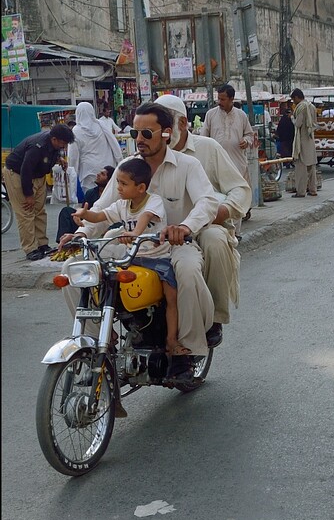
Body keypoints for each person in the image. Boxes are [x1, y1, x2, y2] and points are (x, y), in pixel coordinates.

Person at [60, 102, 219, 380]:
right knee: (74, 270)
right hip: (130, 244)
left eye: (147, 133)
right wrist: (82, 233)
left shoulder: (187, 165)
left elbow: (207, 201)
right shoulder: (127, 167)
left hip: (173, 246)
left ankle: (185, 349)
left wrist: (184, 226)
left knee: (189, 272)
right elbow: (104, 208)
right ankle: (101, 344)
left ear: (166, 133)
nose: (140, 140)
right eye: (135, 134)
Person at [155, 93, 251, 348]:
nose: (161, 133)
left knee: (214, 241)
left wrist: (224, 210)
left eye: (167, 125)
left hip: (206, 226)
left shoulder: (207, 148)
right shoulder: (150, 153)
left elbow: (240, 189)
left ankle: (215, 317)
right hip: (163, 233)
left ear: (183, 124)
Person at [72, 158, 186, 357]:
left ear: (141, 187)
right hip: (131, 259)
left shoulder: (154, 201)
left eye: (124, 184)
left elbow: (145, 217)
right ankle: (108, 332)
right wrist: (85, 214)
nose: (119, 188)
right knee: (103, 283)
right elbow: (100, 217)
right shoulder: (121, 205)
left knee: (172, 297)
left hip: (157, 259)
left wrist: (135, 234)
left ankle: (171, 340)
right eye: (118, 183)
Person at [3, 124, 76, 260]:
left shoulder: (54, 145)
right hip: (18, 175)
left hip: (38, 176)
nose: (64, 147)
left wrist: (59, 160)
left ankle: (42, 244)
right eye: (63, 143)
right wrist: (28, 194)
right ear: (54, 139)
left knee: (40, 211)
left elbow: (48, 156)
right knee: (26, 212)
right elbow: (26, 170)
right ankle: (30, 248)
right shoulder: (37, 147)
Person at [200, 83, 256, 219]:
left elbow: (250, 134)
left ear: (232, 99)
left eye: (223, 99)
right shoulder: (210, 115)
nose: (219, 102)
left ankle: (237, 229)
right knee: (220, 194)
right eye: (218, 99)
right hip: (217, 163)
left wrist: (246, 141)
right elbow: (203, 138)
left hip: (237, 162)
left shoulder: (241, 115)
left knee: (238, 194)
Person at [67, 102, 123, 193]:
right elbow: (114, 143)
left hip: (89, 171)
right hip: (107, 168)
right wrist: (120, 161)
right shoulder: (101, 124)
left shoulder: (76, 131)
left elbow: (73, 156)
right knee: (108, 195)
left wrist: (72, 173)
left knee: (91, 197)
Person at [56, 165, 114, 242]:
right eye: (99, 172)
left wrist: (109, 229)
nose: (98, 175)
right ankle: (63, 243)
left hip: (106, 224)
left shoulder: (114, 195)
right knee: (66, 211)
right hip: (86, 223)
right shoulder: (90, 193)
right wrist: (78, 216)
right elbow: (83, 212)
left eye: (103, 174)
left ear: (109, 180)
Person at [290, 87, 318, 198]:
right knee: (311, 167)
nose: (293, 102)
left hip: (301, 141)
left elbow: (298, 124)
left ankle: (301, 191)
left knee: (301, 167)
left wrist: (292, 118)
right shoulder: (312, 106)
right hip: (310, 139)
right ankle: (313, 189)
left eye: (293, 100)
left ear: (297, 97)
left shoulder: (301, 107)